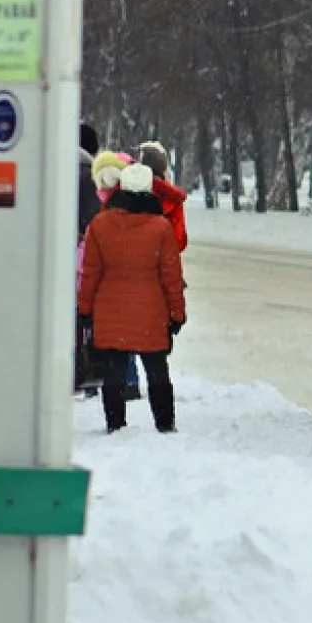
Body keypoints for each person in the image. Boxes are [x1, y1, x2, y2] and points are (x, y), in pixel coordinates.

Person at [77, 162, 185, 434]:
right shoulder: (161, 228)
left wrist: (85, 309)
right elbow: (171, 277)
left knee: (113, 372)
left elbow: (90, 273)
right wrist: (177, 315)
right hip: (151, 313)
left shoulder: (100, 225)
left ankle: (115, 424)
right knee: (156, 369)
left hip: (109, 311)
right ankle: (164, 423)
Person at [75, 125, 105, 398]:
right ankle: (83, 372)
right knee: (81, 315)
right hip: (79, 257)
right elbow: (93, 221)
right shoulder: (87, 177)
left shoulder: (54, 168)